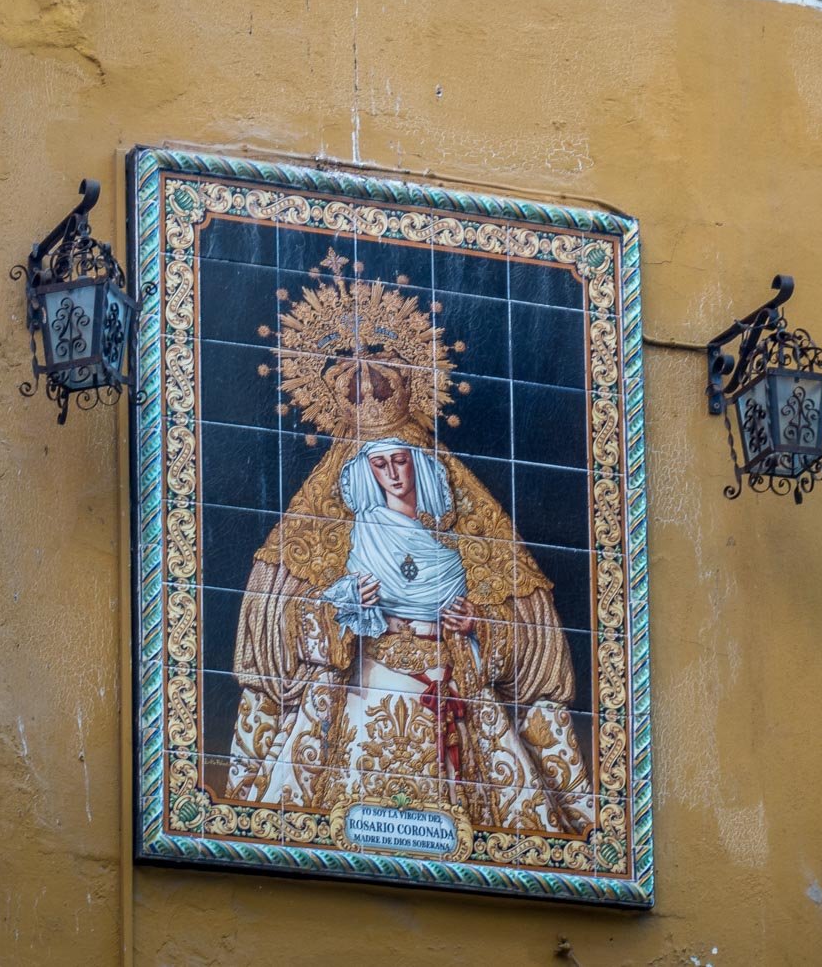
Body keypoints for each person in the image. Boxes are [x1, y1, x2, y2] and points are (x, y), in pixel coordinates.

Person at [223, 269, 594, 837]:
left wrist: (476, 627)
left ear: (419, 463)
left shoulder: (468, 535)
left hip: (447, 685)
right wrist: (342, 609)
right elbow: (277, 635)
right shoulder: (327, 531)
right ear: (364, 472)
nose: (394, 474)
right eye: (379, 464)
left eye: (401, 461)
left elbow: (528, 647)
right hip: (363, 689)